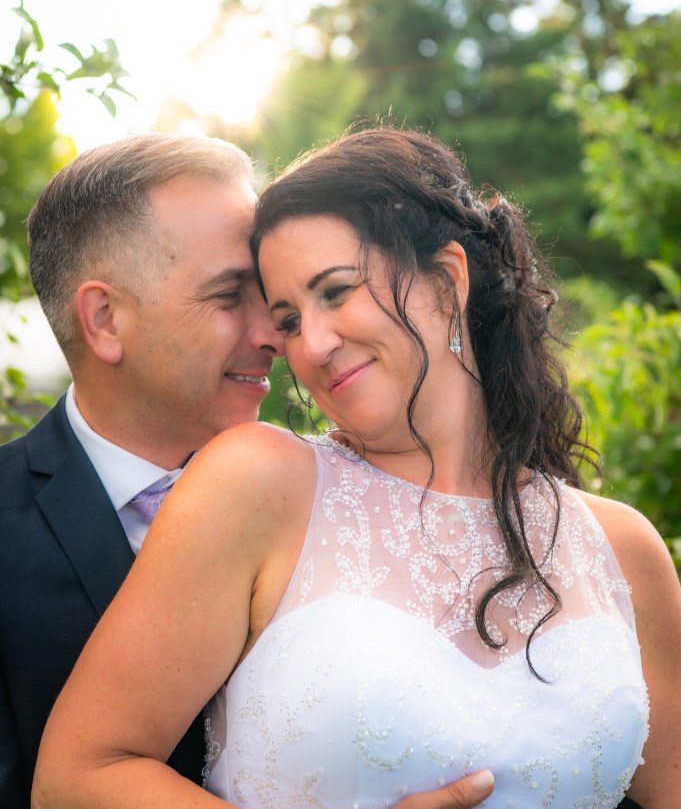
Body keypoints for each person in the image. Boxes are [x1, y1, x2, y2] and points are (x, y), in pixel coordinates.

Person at [32, 126, 680, 809]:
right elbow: (79, 776)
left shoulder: (621, 548)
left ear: (446, 278)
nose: (309, 344)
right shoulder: (257, 482)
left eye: (335, 291)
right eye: (287, 318)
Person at [0, 133, 282, 807]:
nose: (274, 331)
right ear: (104, 319)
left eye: (269, 293)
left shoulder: (324, 489)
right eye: (228, 295)